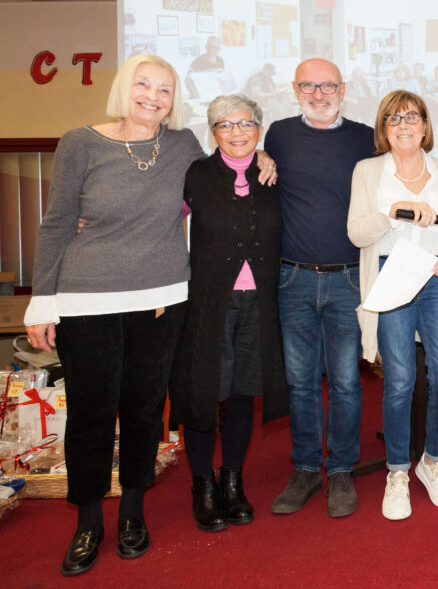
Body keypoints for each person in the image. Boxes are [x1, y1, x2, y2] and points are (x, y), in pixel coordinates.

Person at [23, 54, 273, 576]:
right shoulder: (80, 143)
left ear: (173, 99)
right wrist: (42, 299)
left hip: (162, 298)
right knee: (91, 414)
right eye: (143, 85)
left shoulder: (181, 146)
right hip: (87, 300)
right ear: (124, 87)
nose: (152, 97)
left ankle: (133, 514)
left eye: (164, 89)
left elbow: (229, 162)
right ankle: (88, 522)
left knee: (144, 410)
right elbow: (58, 222)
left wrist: (265, 154)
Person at [170, 94, 288, 533]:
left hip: (260, 302)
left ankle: (232, 480)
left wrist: (266, 157)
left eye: (246, 124)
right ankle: (203, 483)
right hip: (209, 302)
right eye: (225, 125)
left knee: (242, 394)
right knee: (205, 393)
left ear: (259, 129)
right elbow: (159, 221)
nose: (236, 132)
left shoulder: (274, 174)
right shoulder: (196, 175)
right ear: (212, 131)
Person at [264, 59, 375, 518]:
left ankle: (342, 468)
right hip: (293, 278)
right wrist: (260, 157)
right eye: (308, 85)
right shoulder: (278, 134)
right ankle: (307, 468)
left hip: (348, 278)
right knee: (301, 383)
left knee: (347, 382)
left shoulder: (366, 138)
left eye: (327, 85)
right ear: (295, 89)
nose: (318, 93)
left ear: (342, 90)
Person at [348, 90, 438, 521]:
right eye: (394, 118)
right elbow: (357, 233)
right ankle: (397, 470)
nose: (403, 125)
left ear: (426, 124)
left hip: (436, 276)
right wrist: (392, 212)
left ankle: (433, 461)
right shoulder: (368, 170)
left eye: (412, 117)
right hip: (391, 273)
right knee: (399, 381)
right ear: (383, 127)